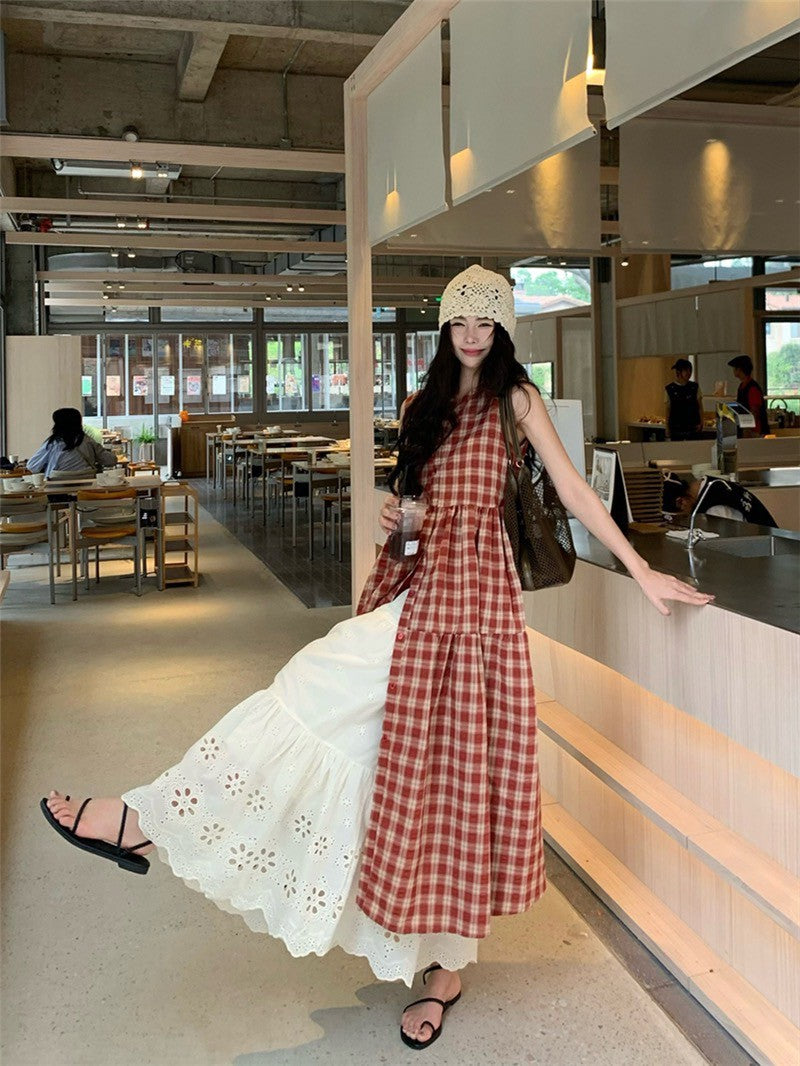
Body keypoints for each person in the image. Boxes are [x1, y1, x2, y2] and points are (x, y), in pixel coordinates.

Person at [41, 266, 714, 1052]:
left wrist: (641, 568)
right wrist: (400, 521)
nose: (472, 335)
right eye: (460, 321)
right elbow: (416, 517)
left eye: (485, 322)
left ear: (501, 330)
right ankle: (153, 821)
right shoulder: (423, 404)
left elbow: (572, 491)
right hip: (422, 595)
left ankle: (443, 969)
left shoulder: (516, 400)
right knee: (328, 708)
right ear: (445, 327)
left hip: (479, 613)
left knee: (457, 778)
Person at [662, 471, 777, 527]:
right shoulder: (711, 484)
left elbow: (728, 543)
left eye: (682, 515)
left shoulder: (716, 509)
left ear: (681, 502)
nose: (685, 516)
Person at [27, 407, 116, 477]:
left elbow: (32, 466)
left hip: (56, 489)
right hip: (86, 488)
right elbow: (111, 460)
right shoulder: (88, 441)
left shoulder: (53, 443)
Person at [727, 355, 768, 437]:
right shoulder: (742, 386)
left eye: (734, 368)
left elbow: (754, 410)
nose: (733, 371)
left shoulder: (752, 388)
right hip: (746, 428)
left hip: (755, 431)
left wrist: (747, 429)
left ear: (739, 369)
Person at [665, 358, 703, 441]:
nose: (689, 373)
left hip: (693, 427)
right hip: (676, 427)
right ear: (678, 372)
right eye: (686, 370)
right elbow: (668, 409)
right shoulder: (670, 388)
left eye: (690, 370)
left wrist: (701, 422)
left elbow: (700, 406)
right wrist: (667, 427)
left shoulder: (694, 387)